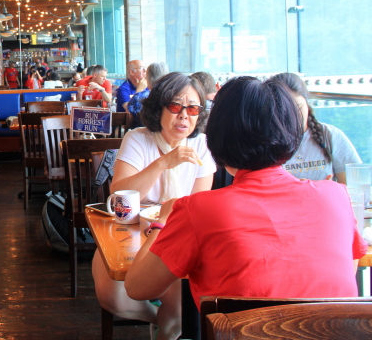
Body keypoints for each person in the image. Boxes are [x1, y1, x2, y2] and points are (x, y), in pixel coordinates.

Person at [124, 77, 367, 336]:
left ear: (217, 138)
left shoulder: (196, 210)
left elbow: (138, 288)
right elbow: (347, 272)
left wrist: (164, 220)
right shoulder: (338, 197)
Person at [92, 72, 215, 340]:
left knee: (180, 306)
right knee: (111, 296)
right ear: (159, 107)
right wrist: (163, 163)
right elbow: (120, 196)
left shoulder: (203, 146)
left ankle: (168, 325)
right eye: (175, 106)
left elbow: (197, 205)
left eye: (193, 108)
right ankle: (158, 317)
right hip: (132, 230)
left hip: (175, 234)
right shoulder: (138, 139)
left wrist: (167, 219)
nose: (184, 115)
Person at [267, 73, 361, 183]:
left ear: (307, 104)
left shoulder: (330, 135)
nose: (294, 116)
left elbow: (353, 188)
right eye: (286, 110)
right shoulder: (264, 143)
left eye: (299, 107)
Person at [127, 62, 169, 127]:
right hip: (166, 135)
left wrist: (139, 91)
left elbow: (127, 123)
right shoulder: (172, 97)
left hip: (141, 135)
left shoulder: (139, 97)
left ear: (149, 77)